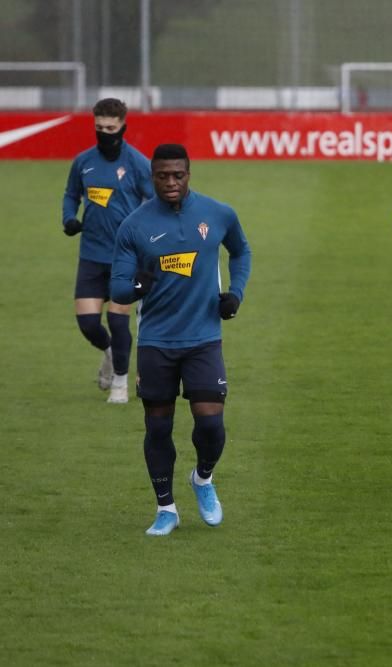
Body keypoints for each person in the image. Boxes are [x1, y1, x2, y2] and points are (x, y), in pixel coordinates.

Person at [110, 144, 251, 536]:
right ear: (152, 176)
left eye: (178, 175)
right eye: (162, 176)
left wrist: (235, 293)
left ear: (189, 174)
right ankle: (166, 509)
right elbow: (118, 288)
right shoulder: (134, 226)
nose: (171, 182)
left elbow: (241, 251)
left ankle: (203, 478)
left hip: (204, 338)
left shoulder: (218, 213)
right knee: (158, 428)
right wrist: (139, 284)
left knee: (211, 426)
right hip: (156, 341)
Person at [62, 98, 153, 403]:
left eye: (111, 128)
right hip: (90, 255)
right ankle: (112, 352)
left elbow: (154, 203)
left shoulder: (137, 163)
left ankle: (120, 383)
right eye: (99, 128)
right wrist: (69, 219)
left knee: (117, 320)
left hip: (124, 257)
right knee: (88, 324)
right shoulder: (83, 161)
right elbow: (71, 194)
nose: (105, 133)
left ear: (123, 127)